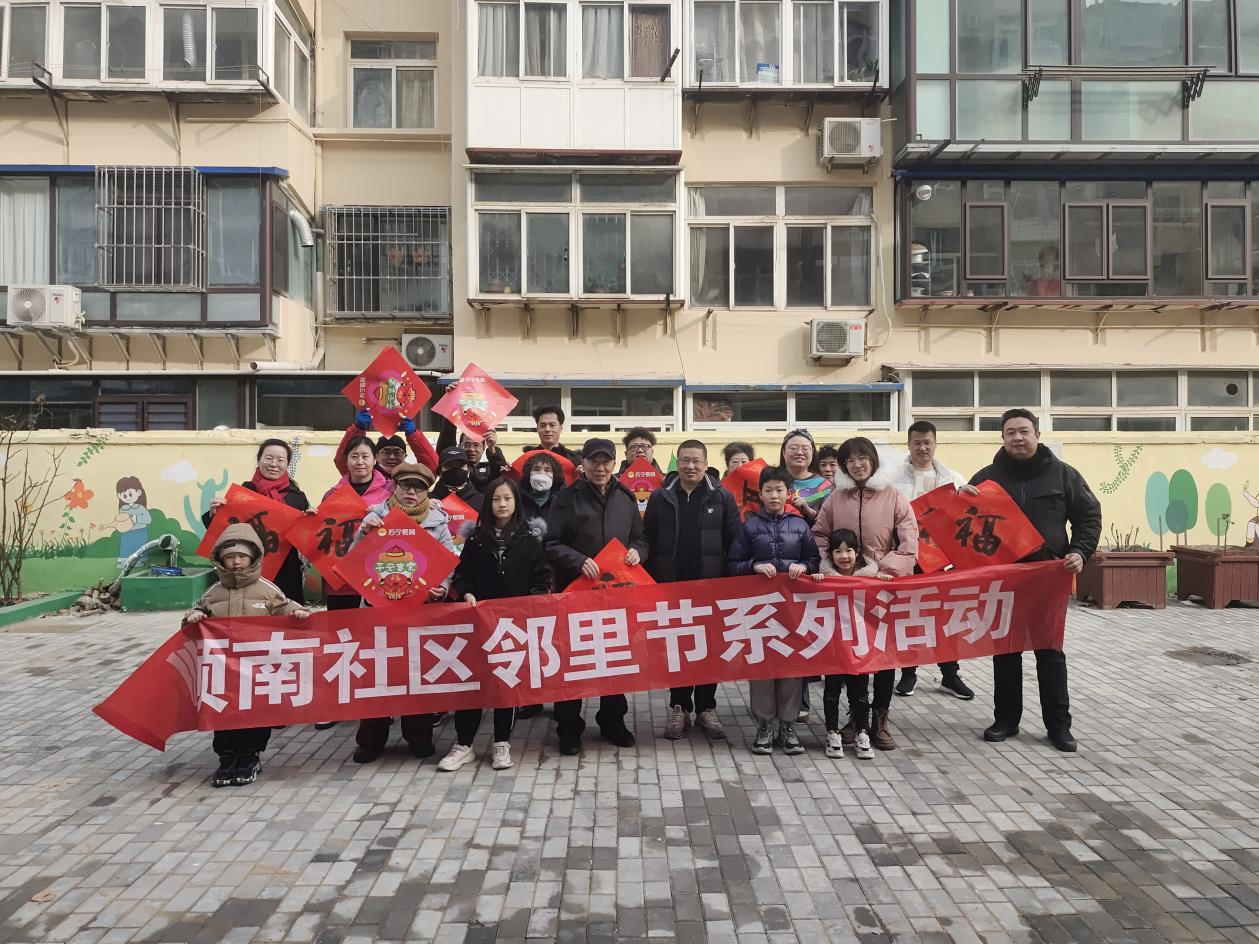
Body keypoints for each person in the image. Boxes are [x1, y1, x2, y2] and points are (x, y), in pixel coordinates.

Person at [971, 409, 1101, 753]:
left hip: (1048, 577)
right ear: (1002, 437)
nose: (1017, 437)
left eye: (1024, 431)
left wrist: (1080, 552)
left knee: (1050, 652)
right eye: (1010, 432)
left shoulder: (1064, 475)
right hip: (1005, 579)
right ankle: (1006, 720)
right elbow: (965, 524)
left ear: (1037, 435)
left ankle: (1058, 726)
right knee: (1006, 651)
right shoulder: (986, 479)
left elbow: (1089, 517)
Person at [811, 437, 919, 752]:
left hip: (882, 586)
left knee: (884, 653)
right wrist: (831, 566)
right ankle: (856, 718)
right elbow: (819, 534)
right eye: (850, 460)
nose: (857, 465)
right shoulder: (835, 498)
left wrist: (882, 570)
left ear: (873, 460)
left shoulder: (893, 496)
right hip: (846, 590)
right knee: (852, 651)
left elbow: (909, 541)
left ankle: (880, 717)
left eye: (863, 458)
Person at [185, 522, 310, 787]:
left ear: (254, 557)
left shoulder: (267, 590)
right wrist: (193, 617)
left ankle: (250, 757)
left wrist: (298, 613)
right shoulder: (213, 593)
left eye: (242, 556)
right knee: (224, 715)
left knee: (256, 714)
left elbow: (285, 607)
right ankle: (226, 758)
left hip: (257, 669)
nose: (236, 562)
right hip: (224, 672)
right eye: (230, 557)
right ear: (220, 560)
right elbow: (196, 615)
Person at [545, 438, 648, 754]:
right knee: (573, 661)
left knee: (614, 659)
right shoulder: (565, 498)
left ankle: (612, 721)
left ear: (614, 464)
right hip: (576, 594)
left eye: (606, 462)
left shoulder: (625, 497)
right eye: (594, 462)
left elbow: (640, 538)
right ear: (584, 464)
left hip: (616, 597)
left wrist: (637, 552)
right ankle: (569, 728)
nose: (600, 468)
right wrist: (577, 560)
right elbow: (550, 543)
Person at [349, 463, 455, 764]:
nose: (411, 492)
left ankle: (418, 735)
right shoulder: (375, 517)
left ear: (427, 492)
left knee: (416, 671)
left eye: (419, 487)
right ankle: (370, 739)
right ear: (394, 487)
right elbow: (354, 561)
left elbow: (448, 563)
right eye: (405, 485)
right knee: (377, 673)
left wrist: (443, 588)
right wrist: (365, 535)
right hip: (378, 611)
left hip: (419, 611)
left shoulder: (437, 521)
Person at [445, 477, 551, 771]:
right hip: (479, 623)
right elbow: (462, 575)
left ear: (516, 502)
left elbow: (541, 578)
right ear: (488, 504)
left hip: (512, 626)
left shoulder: (529, 540)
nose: (502, 504)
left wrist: (533, 601)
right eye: (495, 499)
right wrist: (466, 592)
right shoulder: (476, 540)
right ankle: (464, 744)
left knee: (506, 684)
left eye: (507, 498)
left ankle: (502, 743)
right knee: (472, 683)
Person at [644, 439, 741, 741]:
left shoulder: (722, 497)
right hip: (672, 587)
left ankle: (706, 708)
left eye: (696, 461)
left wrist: (731, 582)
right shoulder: (661, 496)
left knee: (709, 648)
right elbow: (648, 539)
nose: (690, 466)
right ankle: (680, 707)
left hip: (710, 588)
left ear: (706, 463)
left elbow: (735, 542)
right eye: (685, 460)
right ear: (677, 463)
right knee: (678, 648)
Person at [729, 465, 820, 756]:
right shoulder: (749, 526)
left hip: (793, 610)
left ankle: (788, 725)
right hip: (760, 609)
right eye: (768, 490)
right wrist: (754, 566)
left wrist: (803, 566)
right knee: (762, 666)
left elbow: (815, 561)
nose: (774, 495)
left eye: (779, 490)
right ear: (761, 494)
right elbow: (733, 564)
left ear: (788, 493)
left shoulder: (801, 526)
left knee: (792, 666)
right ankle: (765, 725)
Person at [887, 421, 976, 701]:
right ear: (908, 445)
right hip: (909, 557)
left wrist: (968, 497)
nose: (922, 448)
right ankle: (908, 672)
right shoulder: (892, 480)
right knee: (910, 614)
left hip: (944, 559)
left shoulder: (954, 479)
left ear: (936, 444)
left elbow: (966, 518)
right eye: (917, 443)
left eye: (927, 442)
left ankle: (950, 674)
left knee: (945, 616)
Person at [205, 439, 310, 604]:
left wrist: (310, 521)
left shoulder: (297, 498)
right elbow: (225, 533)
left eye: (280, 460)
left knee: (286, 613)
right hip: (246, 568)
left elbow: (305, 540)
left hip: (286, 570)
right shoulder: (244, 493)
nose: (274, 464)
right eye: (268, 458)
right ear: (259, 460)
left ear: (287, 464)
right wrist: (215, 515)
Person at [812, 528, 877, 761]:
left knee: (860, 691)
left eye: (848, 550)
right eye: (838, 551)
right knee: (832, 690)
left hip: (859, 646)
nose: (844, 556)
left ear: (857, 552)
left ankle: (862, 732)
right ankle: (832, 732)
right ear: (830, 555)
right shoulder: (824, 577)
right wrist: (816, 581)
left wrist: (885, 582)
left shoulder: (870, 577)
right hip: (834, 646)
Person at [335, 408, 438, 477]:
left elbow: (432, 468)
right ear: (376, 456)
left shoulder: (412, 475)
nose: (392, 457)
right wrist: (357, 429)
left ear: (405, 456)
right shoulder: (363, 475)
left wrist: (414, 435)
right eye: (386, 452)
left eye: (397, 452)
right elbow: (342, 461)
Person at [779, 429, 831, 525]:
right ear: (783, 452)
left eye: (805, 448)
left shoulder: (824, 485)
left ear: (812, 452)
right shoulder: (774, 480)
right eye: (793, 448)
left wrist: (808, 511)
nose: (799, 452)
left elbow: (829, 522)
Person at [432, 446, 485, 513]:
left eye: (460, 465)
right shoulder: (427, 501)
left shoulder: (483, 501)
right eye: (449, 466)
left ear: (468, 469)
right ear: (440, 472)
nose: (455, 469)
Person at [114, 476, 152, 566]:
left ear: (138, 492)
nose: (128, 497)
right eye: (124, 495)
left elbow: (148, 519)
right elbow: (122, 519)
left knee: (138, 548)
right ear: (119, 496)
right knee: (126, 548)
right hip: (127, 533)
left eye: (130, 494)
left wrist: (137, 518)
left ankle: (138, 561)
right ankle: (125, 562)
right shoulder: (123, 509)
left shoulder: (141, 508)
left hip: (140, 532)